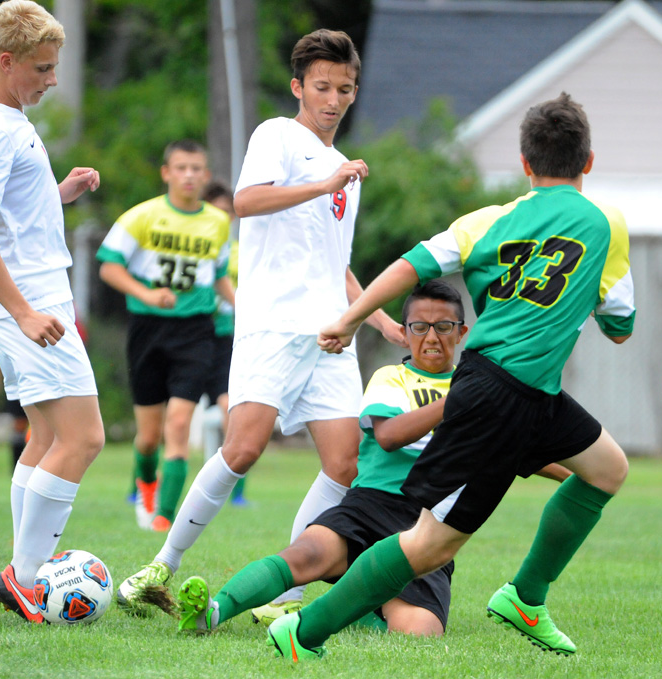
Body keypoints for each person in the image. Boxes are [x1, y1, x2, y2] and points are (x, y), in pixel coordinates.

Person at [265, 92, 636, 661]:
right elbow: (621, 326)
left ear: (525, 164)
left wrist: (349, 318)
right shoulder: (605, 223)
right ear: (588, 162)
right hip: (498, 395)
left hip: (532, 393)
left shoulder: (487, 222)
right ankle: (305, 631)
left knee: (608, 468)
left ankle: (526, 597)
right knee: (430, 545)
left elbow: (408, 267)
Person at [115, 28, 405, 615]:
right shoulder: (278, 136)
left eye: (344, 89)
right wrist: (322, 182)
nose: (332, 98)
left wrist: (379, 321)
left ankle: (288, 592)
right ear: (299, 87)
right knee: (243, 449)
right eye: (321, 86)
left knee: (345, 464)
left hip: (331, 335)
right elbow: (245, 201)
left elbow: (334, 261)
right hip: (273, 324)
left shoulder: (340, 168)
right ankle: (159, 567)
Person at [162, 280, 572, 636]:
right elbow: (390, 435)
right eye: (420, 326)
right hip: (371, 505)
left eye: (444, 327)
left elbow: (522, 452)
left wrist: (579, 477)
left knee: (420, 632)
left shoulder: (479, 388)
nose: (432, 337)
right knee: (304, 555)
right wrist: (459, 402)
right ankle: (211, 613)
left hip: (430, 524)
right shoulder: (391, 378)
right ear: (405, 332)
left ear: (462, 332)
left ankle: (351, 609)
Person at [0, 0, 105, 624]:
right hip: (29, 301)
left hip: (32, 293)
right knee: (85, 437)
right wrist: (21, 313)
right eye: (42, 68)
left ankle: (22, 571)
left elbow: (8, 215)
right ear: (6, 61)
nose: (51, 79)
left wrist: (55, 192)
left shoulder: (3, 112)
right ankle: (27, 575)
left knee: (46, 437)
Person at [97, 140, 234, 532]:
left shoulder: (218, 222)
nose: (189, 175)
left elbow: (219, 275)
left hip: (197, 332)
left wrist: (243, 306)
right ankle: (145, 478)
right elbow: (108, 266)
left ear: (205, 175)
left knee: (178, 425)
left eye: (196, 168)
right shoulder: (142, 217)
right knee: (148, 436)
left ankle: (164, 518)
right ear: (166, 173)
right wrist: (146, 294)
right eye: (181, 168)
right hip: (148, 331)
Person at [201, 181, 247, 507]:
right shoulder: (193, 247)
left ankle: (235, 492)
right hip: (191, 335)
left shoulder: (242, 252)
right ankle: (142, 485)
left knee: (232, 409)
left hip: (227, 340)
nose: (223, 217)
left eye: (227, 211)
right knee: (164, 420)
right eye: (217, 210)